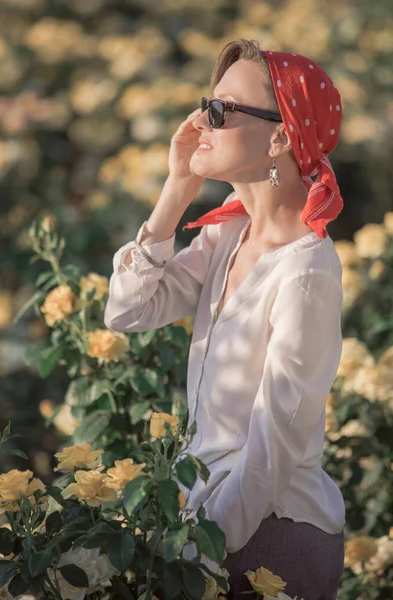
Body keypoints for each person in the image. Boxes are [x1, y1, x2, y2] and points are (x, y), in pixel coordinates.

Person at [104, 39, 345, 600]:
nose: (198, 122)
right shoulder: (227, 234)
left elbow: (274, 445)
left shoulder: (306, 270)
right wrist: (177, 189)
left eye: (221, 110)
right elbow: (127, 310)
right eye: (204, 103)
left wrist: (202, 548)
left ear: (282, 136)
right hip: (207, 526)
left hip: (269, 540)